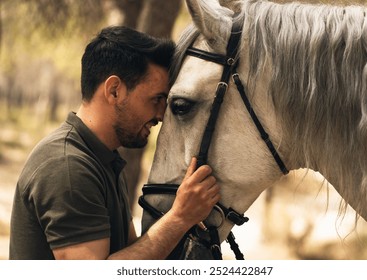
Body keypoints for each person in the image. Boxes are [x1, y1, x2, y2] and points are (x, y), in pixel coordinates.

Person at [9, 26, 220, 260]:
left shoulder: (101, 159)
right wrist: (180, 217)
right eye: (157, 99)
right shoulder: (68, 167)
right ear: (114, 91)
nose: (161, 115)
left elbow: (127, 254)